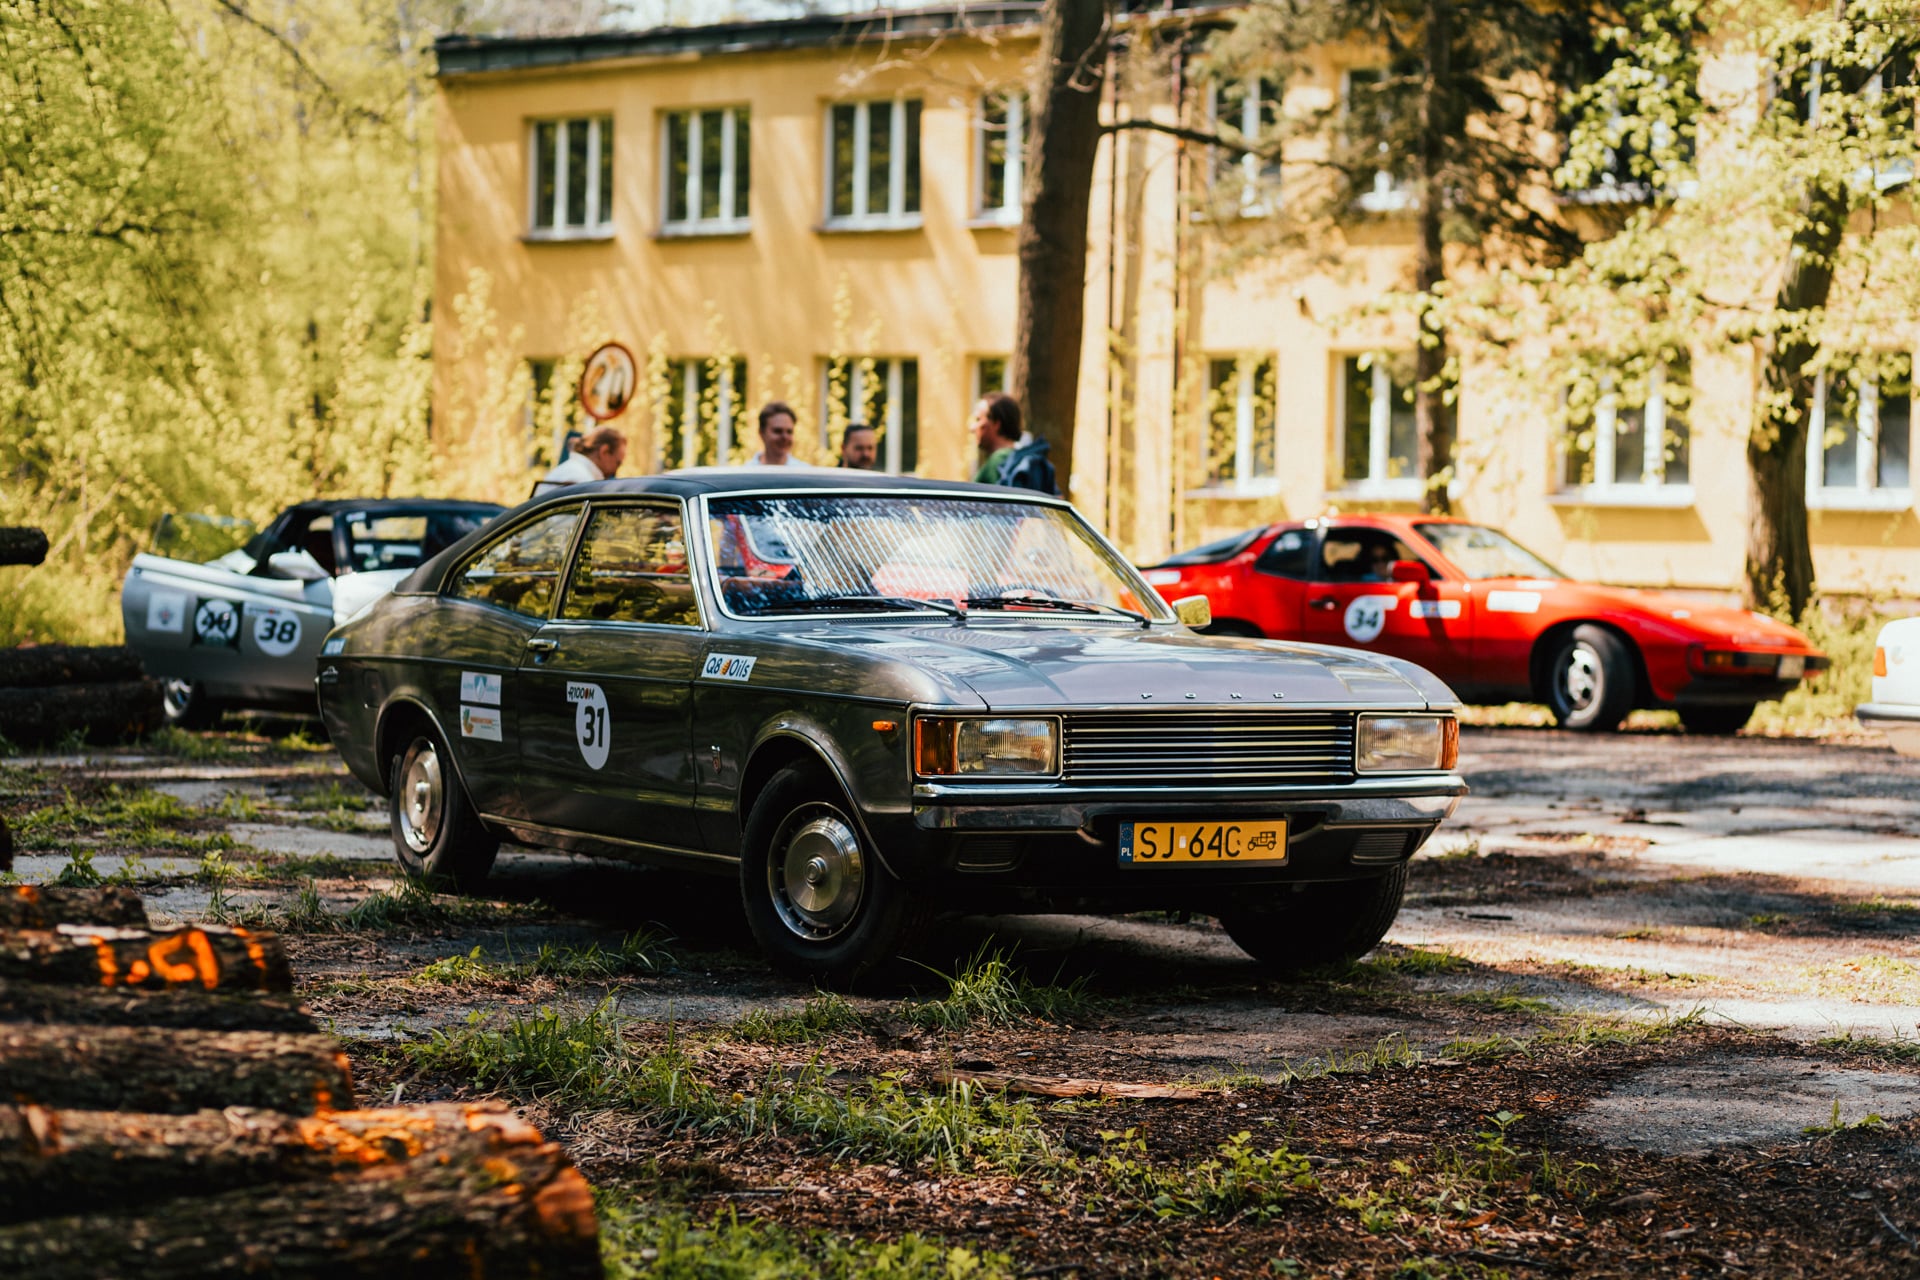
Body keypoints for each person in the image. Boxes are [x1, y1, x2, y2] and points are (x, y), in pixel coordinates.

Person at [533, 425, 626, 495]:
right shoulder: (581, 479)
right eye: (618, 463)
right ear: (604, 452)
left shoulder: (574, 470)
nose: (616, 470)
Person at [971, 393, 1021, 484]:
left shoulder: (998, 462)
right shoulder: (1016, 459)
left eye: (978, 419)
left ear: (996, 424)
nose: (972, 428)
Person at [749, 401, 808, 467]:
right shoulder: (746, 471)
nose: (785, 437)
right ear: (761, 433)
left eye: (789, 432)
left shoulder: (805, 471)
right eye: (778, 431)